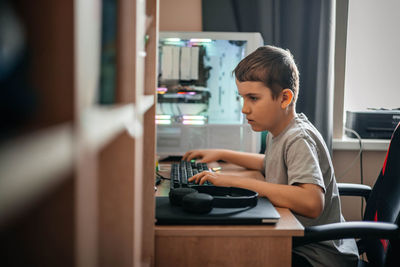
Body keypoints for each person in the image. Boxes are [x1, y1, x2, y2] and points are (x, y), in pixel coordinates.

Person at [183, 45, 359, 267]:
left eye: (253, 98)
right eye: (242, 98)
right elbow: (270, 163)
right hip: (303, 242)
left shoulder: (298, 138)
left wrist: (232, 181)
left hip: (317, 255)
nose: (244, 109)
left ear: (285, 98)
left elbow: (312, 202)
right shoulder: (281, 131)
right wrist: (221, 153)